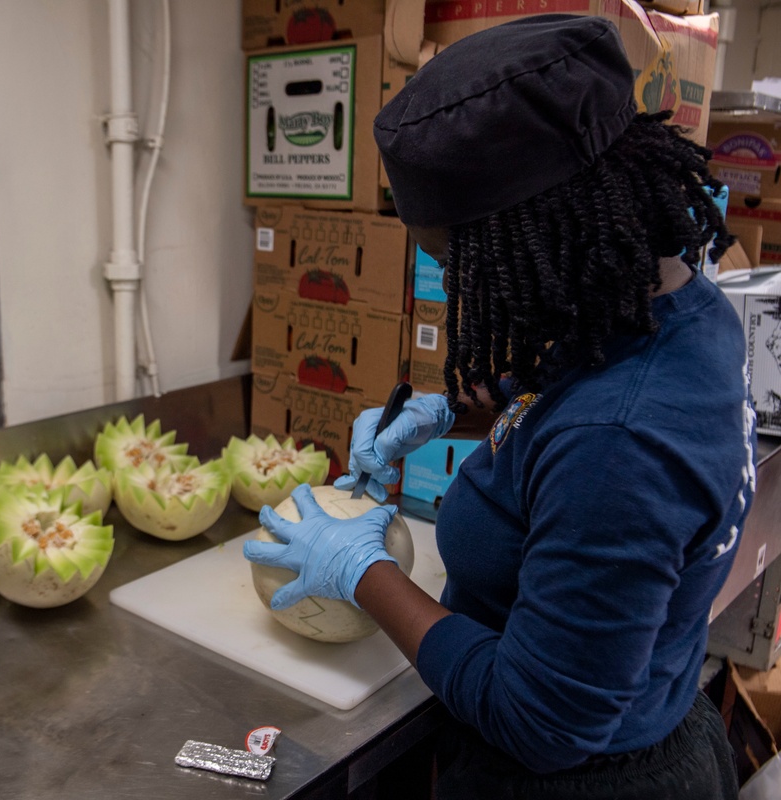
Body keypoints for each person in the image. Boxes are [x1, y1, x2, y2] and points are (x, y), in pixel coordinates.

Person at [243, 14, 757, 800]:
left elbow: (541, 722)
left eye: (456, 262)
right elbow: (579, 392)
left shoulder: (617, 445)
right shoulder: (676, 307)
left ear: (536, 238)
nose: (453, 287)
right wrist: (455, 412)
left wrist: (363, 571)